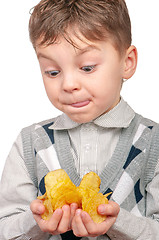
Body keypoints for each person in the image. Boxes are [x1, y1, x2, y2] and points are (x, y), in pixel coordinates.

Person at [0, 0, 159, 239]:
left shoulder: (153, 142)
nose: (68, 84)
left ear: (127, 63)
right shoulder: (30, 143)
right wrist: (33, 221)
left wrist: (120, 223)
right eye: (53, 72)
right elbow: (5, 227)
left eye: (87, 68)